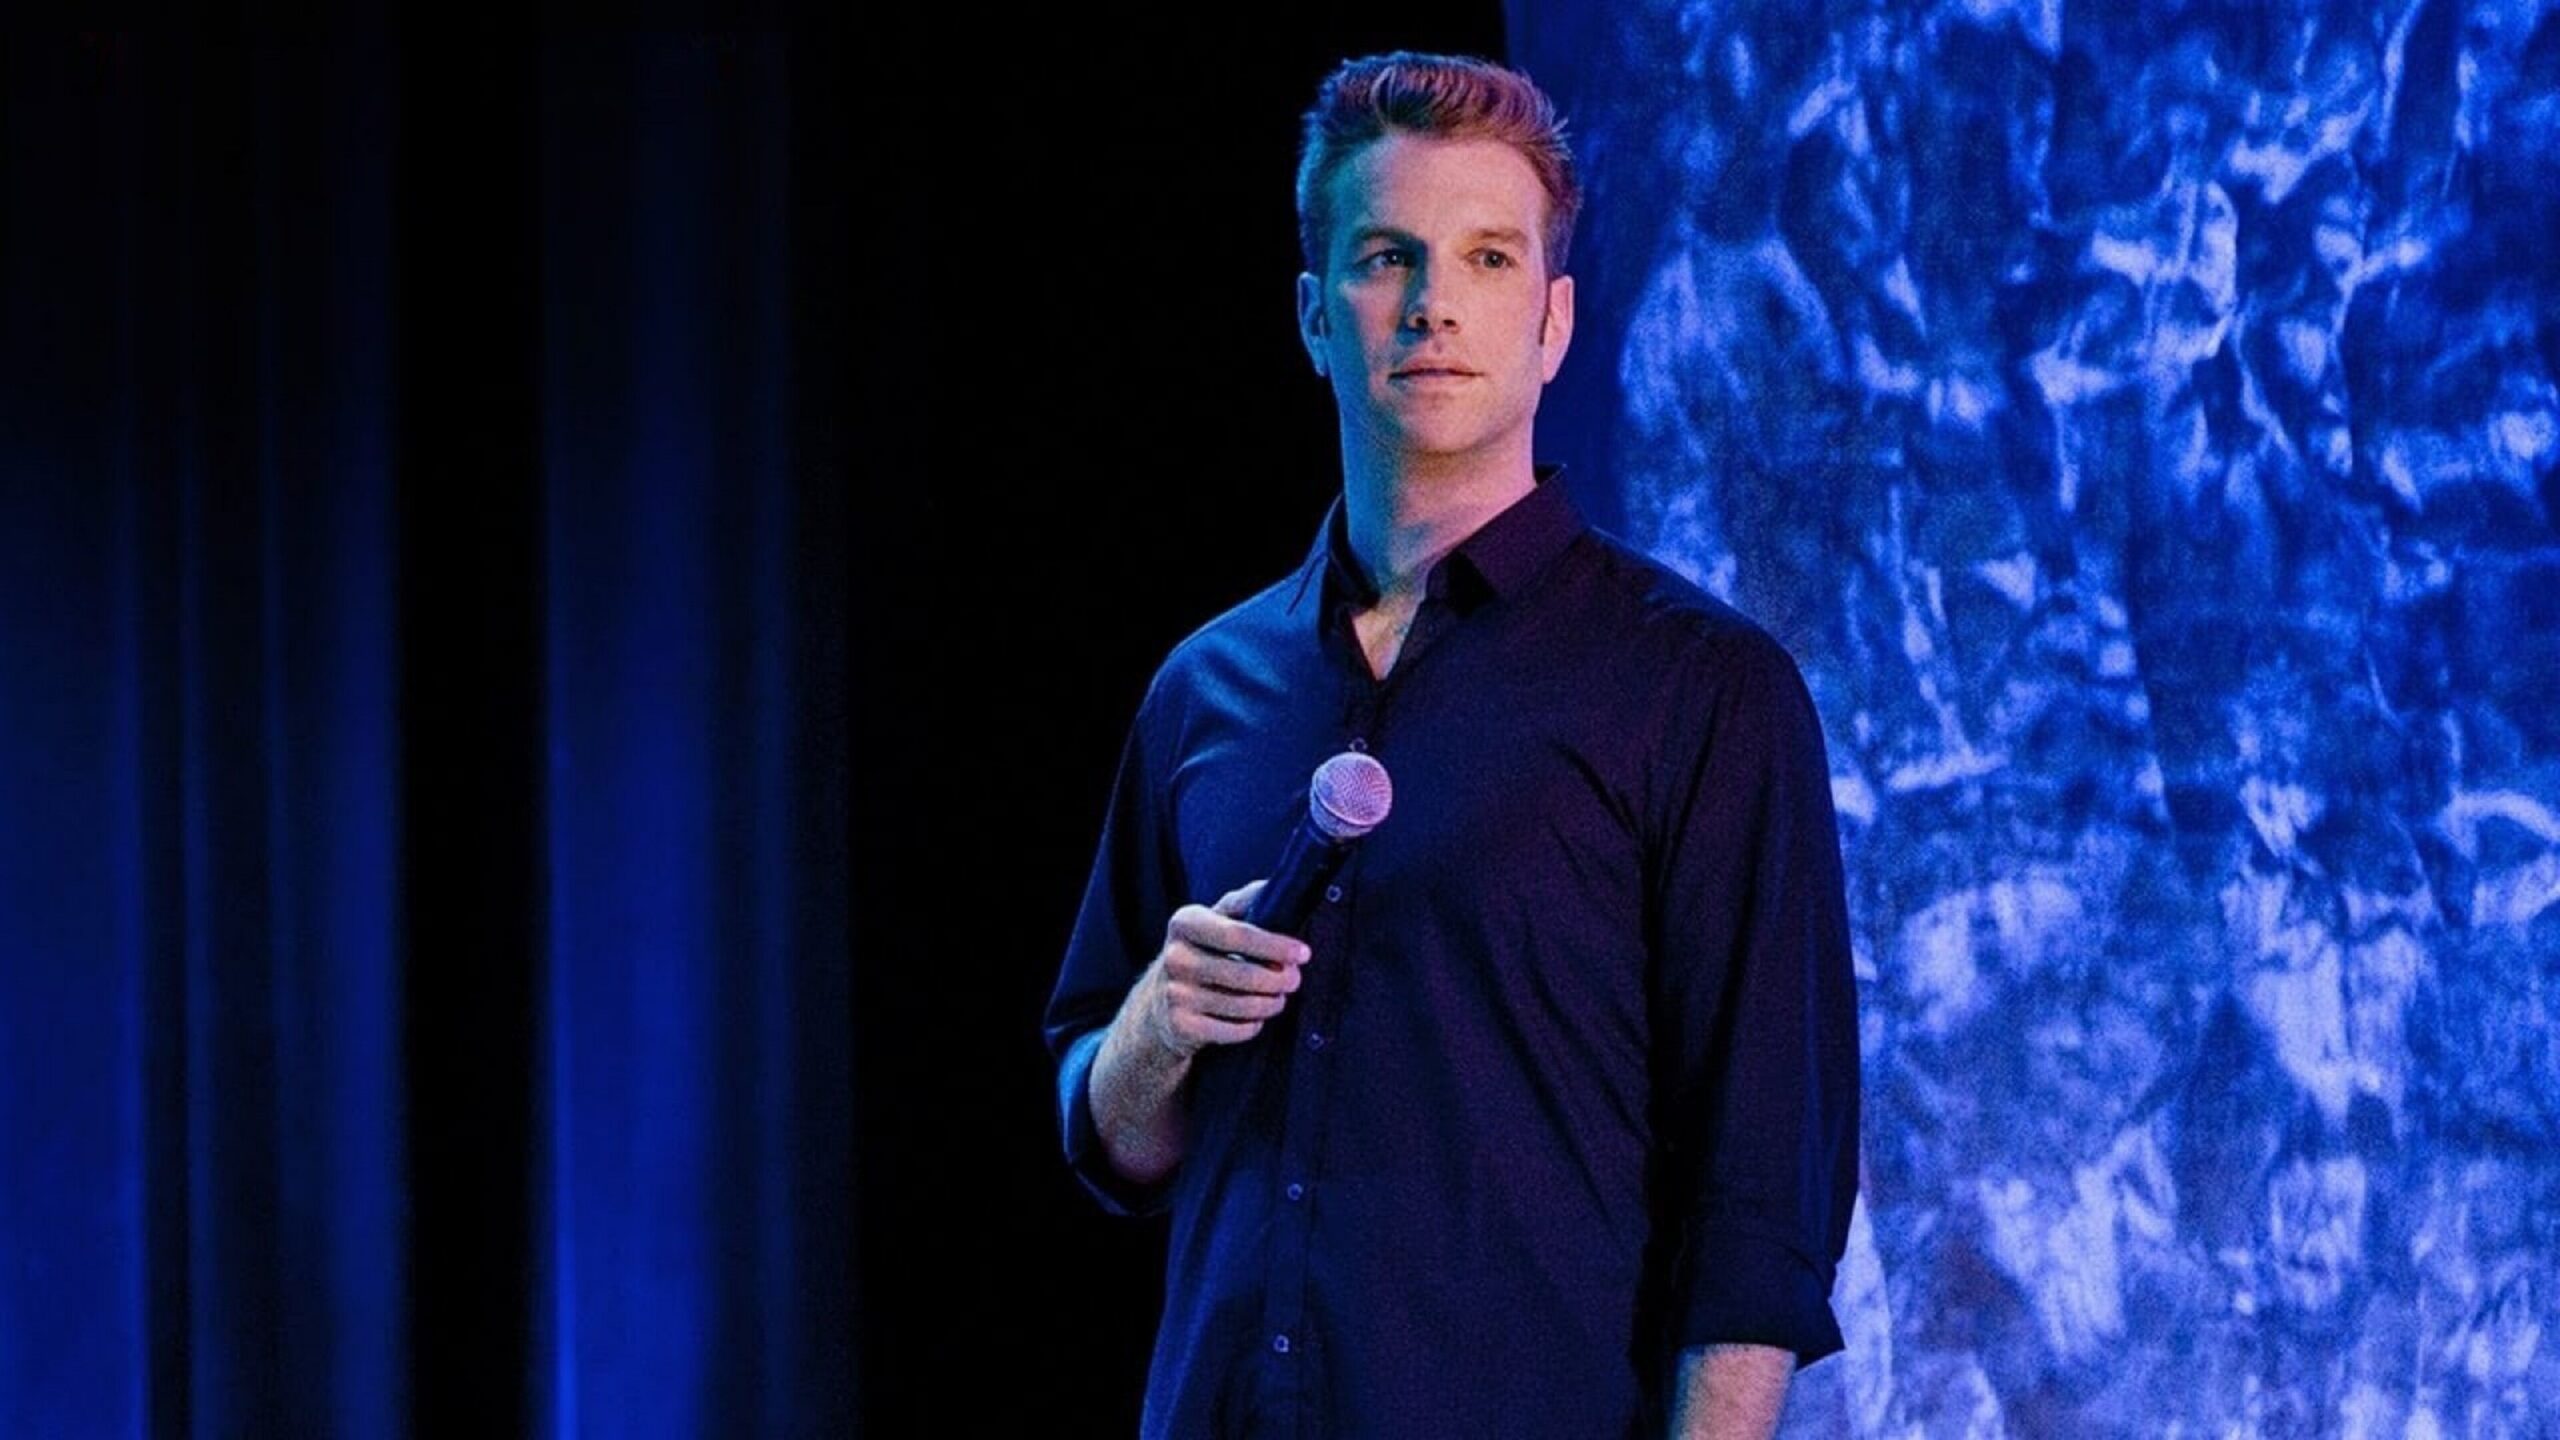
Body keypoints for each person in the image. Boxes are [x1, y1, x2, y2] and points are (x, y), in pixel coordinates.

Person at [1042, 51, 1860, 1440]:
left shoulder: (1701, 690)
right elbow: (1111, 1137)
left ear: (1553, 323)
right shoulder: (1205, 689)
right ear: (1316, 317)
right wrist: (1156, 1029)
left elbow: (1760, 1200)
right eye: (1387, 258)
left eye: (1487, 258)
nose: (1432, 304)